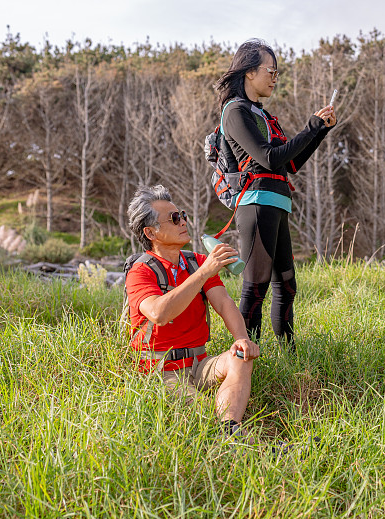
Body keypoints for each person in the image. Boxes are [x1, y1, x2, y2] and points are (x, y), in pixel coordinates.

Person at [213, 38, 336, 349]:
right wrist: (310, 126)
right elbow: (268, 158)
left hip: (276, 203)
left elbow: (290, 162)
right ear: (250, 72)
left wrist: (319, 129)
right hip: (256, 203)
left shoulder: (261, 113)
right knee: (256, 287)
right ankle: (245, 362)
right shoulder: (235, 112)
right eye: (272, 70)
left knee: (287, 286)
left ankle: (291, 356)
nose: (275, 77)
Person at [126, 184, 259, 437]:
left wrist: (241, 339)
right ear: (150, 232)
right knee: (202, 418)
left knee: (240, 358)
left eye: (183, 215)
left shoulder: (195, 262)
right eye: (174, 219)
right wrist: (205, 271)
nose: (183, 222)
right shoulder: (140, 272)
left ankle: (231, 430)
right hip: (161, 370)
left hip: (200, 362)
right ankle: (231, 441)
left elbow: (223, 303)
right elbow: (159, 314)